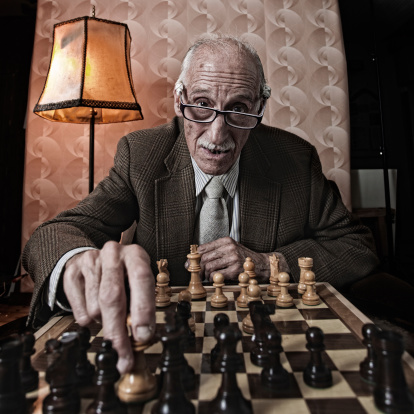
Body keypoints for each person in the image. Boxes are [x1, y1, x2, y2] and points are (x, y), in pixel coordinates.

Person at [22, 34, 379, 374]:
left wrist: (268, 264)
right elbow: (55, 233)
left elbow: (357, 246)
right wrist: (76, 263)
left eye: (238, 109)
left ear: (260, 107)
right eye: (202, 105)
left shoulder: (295, 160)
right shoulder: (142, 155)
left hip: (268, 341)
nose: (217, 135)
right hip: (166, 342)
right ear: (179, 100)